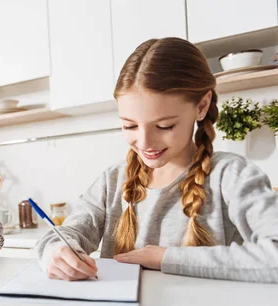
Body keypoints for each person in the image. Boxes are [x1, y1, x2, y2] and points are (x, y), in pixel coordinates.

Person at [36, 37, 278, 283]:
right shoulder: (113, 180)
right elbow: (62, 234)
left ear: (202, 106)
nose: (145, 143)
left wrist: (165, 258)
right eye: (129, 125)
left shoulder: (230, 176)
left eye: (164, 126)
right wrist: (57, 253)